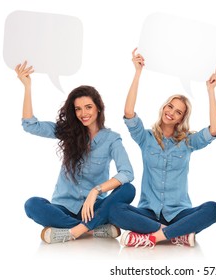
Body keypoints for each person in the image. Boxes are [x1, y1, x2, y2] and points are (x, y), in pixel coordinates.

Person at [108, 48, 216, 248]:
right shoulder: (145, 138)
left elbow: (214, 130)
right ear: (164, 107)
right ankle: (177, 235)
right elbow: (128, 112)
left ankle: (152, 237)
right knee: (114, 209)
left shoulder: (188, 141)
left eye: (178, 112)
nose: (171, 113)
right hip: (148, 212)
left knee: (212, 209)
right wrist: (137, 72)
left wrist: (210, 92)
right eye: (170, 106)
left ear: (181, 119)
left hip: (179, 213)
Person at [16, 61, 135, 244]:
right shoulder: (69, 132)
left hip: (93, 208)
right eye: (78, 109)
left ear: (98, 108)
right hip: (63, 207)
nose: (83, 113)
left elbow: (127, 173)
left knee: (128, 190)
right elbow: (30, 125)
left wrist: (96, 191)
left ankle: (73, 231)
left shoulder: (112, 139)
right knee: (32, 205)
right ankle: (91, 230)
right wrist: (27, 86)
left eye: (88, 107)